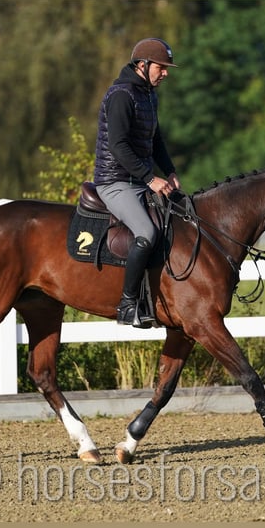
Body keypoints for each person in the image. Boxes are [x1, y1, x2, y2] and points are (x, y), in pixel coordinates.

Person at [94, 37, 182, 328]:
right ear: (142, 65)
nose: (166, 73)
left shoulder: (148, 95)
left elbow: (154, 140)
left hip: (139, 181)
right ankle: (128, 304)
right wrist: (150, 178)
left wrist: (168, 171)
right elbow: (118, 146)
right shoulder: (121, 95)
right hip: (115, 182)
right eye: (162, 67)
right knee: (145, 231)